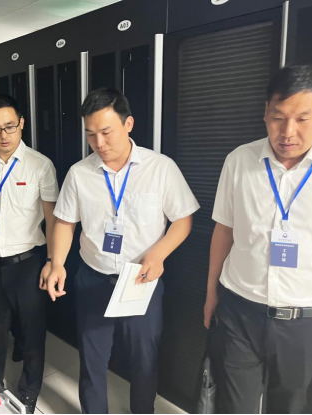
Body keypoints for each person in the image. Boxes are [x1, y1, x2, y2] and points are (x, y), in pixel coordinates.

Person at [204, 65, 312, 414]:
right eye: (278, 117)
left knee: (289, 407)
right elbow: (224, 230)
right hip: (239, 310)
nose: (287, 132)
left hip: (304, 319)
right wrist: (211, 293)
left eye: (302, 119)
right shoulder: (239, 160)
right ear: (265, 111)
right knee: (232, 407)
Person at [46, 88, 200, 414]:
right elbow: (65, 223)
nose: (99, 143)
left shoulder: (160, 168)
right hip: (93, 279)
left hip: (140, 280)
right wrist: (57, 262)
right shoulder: (79, 173)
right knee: (92, 360)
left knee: (144, 361)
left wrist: (159, 254)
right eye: (91, 134)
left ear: (128, 124)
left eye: (106, 132)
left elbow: (183, 220)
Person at [0, 94, 59, 414]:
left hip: (27, 263)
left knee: (32, 333)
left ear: (21, 123)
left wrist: (52, 261)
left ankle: (29, 392)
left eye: (9, 126)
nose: (3, 135)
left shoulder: (39, 165)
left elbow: (53, 219)